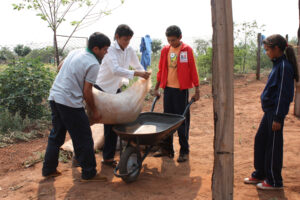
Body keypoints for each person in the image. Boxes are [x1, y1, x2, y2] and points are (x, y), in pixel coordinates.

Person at [42, 32, 111, 182]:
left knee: (57, 135)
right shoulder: (93, 63)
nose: (106, 53)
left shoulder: (75, 52)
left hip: (55, 97)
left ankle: (48, 169)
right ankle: (89, 173)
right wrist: (94, 110)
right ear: (95, 48)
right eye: (104, 49)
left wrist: (70, 82)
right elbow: (87, 92)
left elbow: (60, 68)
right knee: (84, 138)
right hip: (69, 103)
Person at [244, 34, 299, 190]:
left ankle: (274, 181)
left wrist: (278, 117)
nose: (266, 53)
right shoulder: (277, 64)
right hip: (269, 112)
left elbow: (284, 95)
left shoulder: (283, 67)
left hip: (275, 113)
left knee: (273, 145)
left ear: (276, 49)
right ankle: (261, 173)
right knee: (260, 140)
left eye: (268, 50)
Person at [94, 24, 150, 167]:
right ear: (117, 37)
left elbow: (137, 66)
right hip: (101, 89)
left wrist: (144, 76)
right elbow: (115, 70)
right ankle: (80, 155)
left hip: (115, 89)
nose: (127, 43)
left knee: (114, 124)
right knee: (92, 121)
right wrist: (137, 74)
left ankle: (108, 158)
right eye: (125, 39)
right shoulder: (110, 50)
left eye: (129, 40)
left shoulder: (129, 50)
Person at [153, 25, 200, 163]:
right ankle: (167, 149)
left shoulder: (186, 50)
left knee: (182, 121)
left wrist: (197, 90)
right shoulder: (165, 50)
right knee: (167, 120)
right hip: (168, 90)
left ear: (180, 37)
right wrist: (156, 88)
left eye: (173, 40)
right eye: (169, 40)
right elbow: (161, 70)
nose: (171, 43)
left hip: (181, 91)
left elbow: (193, 70)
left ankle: (184, 151)